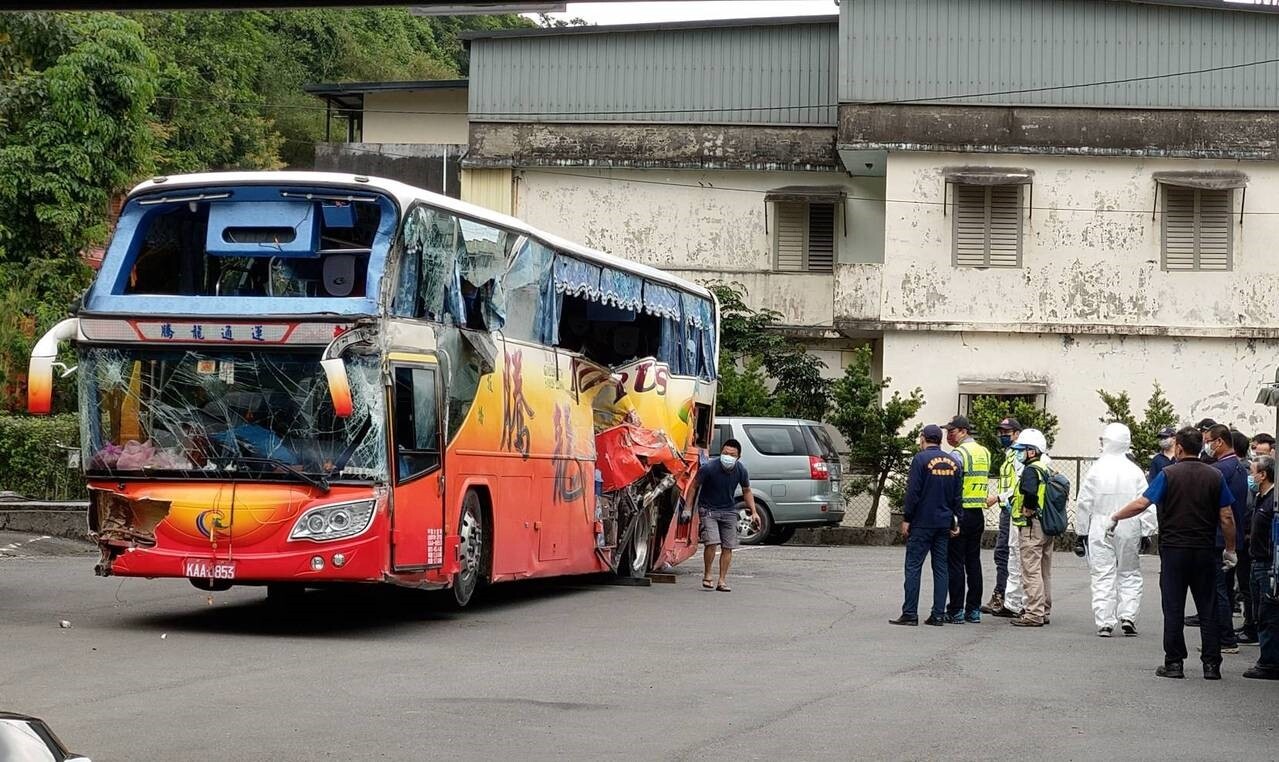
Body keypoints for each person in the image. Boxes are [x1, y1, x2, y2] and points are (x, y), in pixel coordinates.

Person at [1109, 426, 1237, 680]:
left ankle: (1174, 662)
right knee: (1208, 606)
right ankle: (1211, 665)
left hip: (1174, 549)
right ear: (1201, 447)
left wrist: (1115, 516)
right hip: (1204, 550)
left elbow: (1142, 503)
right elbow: (1226, 516)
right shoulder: (1214, 476)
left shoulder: (1168, 474)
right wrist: (1230, 549)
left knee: (1174, 606)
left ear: (1178, 447)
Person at [1074, 423, 1155, 637]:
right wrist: (1147, 530)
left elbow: (1084, 502)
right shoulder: (1134, 470)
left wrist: (1081, 530)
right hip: (1130, 522)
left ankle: (1105, 622)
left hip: (1100, 523)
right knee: (1129, 571)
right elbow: (1146, 501)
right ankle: (1128, 616)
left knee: (1102, 573)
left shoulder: (1096, 469)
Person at [891, 425, 962, 627]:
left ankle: (910, 613)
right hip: (944, 522)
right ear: (940, 440)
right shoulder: (954, 462)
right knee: (941, 568)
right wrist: (957, 519)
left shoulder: (920, 459)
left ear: (923, 438)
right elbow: (958, 495)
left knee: (913, 566)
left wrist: (907, 518)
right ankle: (938, 614)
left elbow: (913, 492)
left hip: (922, 522)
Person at [683, 438, 759, 592]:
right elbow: (693, 486)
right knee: (711, 542)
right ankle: (708, 575)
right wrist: (688, 507)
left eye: (732, 454)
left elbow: (747, 490)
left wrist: (754, 512)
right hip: (708, 509)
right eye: (725, 453)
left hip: (729, 510)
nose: (728, 456)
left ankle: (722, 580)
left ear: (738, 457)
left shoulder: (741, 470)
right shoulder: (709, 467)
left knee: (728, 546)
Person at [943, 415, 990, 624]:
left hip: (961, 513)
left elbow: (951, 485)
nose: (948, 436)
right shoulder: (984, 452)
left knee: (955, 563)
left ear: (963, 431)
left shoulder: (958, 454)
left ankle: (956, 610)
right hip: (978, 513)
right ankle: (973, 610)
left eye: (951, 432)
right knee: (973, 562)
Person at [1205, 423, 1248, 653]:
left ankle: (1225, 638)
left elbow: (1223, 512)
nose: (1207, 446)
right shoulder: (1240, 467)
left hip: (1218, 538)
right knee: (1226, 590)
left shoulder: (1220, 470)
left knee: (1217, 590)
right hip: (1232, 539)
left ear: (1219, 441)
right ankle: (1225, 635)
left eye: (1208, 441)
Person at [982, 418, 1025, 618]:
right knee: (1006, 554)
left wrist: (997, 497)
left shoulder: (1018, 455)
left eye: (1007, 432)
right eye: (1000, 432)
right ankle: (1006, 596)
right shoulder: (1010, 454)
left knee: (1005, 554)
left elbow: (1019, 485)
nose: (1002, 435)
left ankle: (1004, 597)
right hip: (1008, 508)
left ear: (1017, 433)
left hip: (1012, 509)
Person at [1010, 428, 1053, 627]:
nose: (1019, 453)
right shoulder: (1046, 468)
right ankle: (1044, 609)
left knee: (1030, 570)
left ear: (1032, 451)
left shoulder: (1030, 470)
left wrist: (1027, 508)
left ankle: (1034, 613)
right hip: (1046, 524)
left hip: (1031, 525)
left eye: (1022, 449)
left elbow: (1029, 492)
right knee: (1044, 570)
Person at [1244, 455, 1279, 679]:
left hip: (1267, 564)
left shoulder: (1272, 502)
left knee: (1269, 614)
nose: (1250, 476)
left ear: (1263, 475)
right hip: (1257, 561)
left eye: (1253, 472)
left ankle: (1270, 662)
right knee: (1260, 611)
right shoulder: (1261, 497)